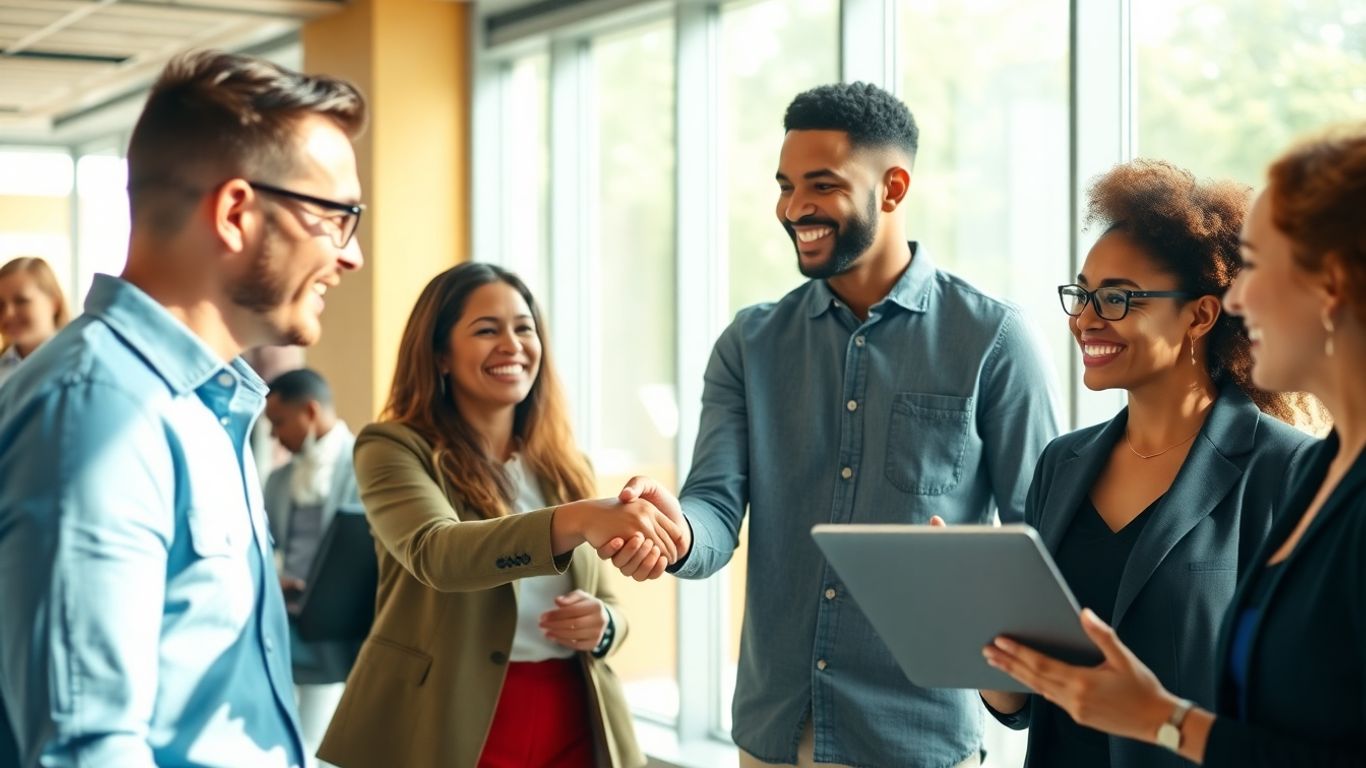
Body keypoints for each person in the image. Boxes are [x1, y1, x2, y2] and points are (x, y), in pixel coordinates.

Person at [604, 82, 1060, 767]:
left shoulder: (993, 340)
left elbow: (1040, 540)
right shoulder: (750, 343)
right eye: (786, 186)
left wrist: (1015, 683)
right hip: (772, 733)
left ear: (893, 187)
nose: (794, 209)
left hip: (917, 740)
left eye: (820, 186)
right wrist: (671, 532)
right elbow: (715, 510)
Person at [0, 50, 366, 767]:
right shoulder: (100, 416)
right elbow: (84, 751)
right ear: (235, 212)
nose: (350, 256)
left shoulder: (204, 409)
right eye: (336, 217)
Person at [983, 123, 1366, 766]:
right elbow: (1037, 700)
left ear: (1198, 316)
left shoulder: (1289, 470)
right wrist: (986, 642)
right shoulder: (1062, 464)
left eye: (1118, 298)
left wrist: (1164, 722)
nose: (1085, 317)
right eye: (1083, 294)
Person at [319, 263, 669, 768]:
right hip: (447, 715)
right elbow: (436, 552)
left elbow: (609, 600)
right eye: (487, 330)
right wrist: (576, 520)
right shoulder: (392, 448)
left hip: (573, 711)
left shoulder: (567, 467)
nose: (512, 345)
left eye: (523, 328)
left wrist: (606, 624)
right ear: (440, 353)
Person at [261, 367, 361, 766]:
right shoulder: (278, 479)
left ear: (310, 411)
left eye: (278, 422)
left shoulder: (367, 464)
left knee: (319, 744)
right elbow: (266, 547)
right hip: (285, 625)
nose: (273, 435)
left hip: (338, 634)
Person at [0, 256, 70, 389]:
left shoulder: (77, 363)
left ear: (54, 303)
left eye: (21, 301)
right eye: (0, 305)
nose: (8, 314)